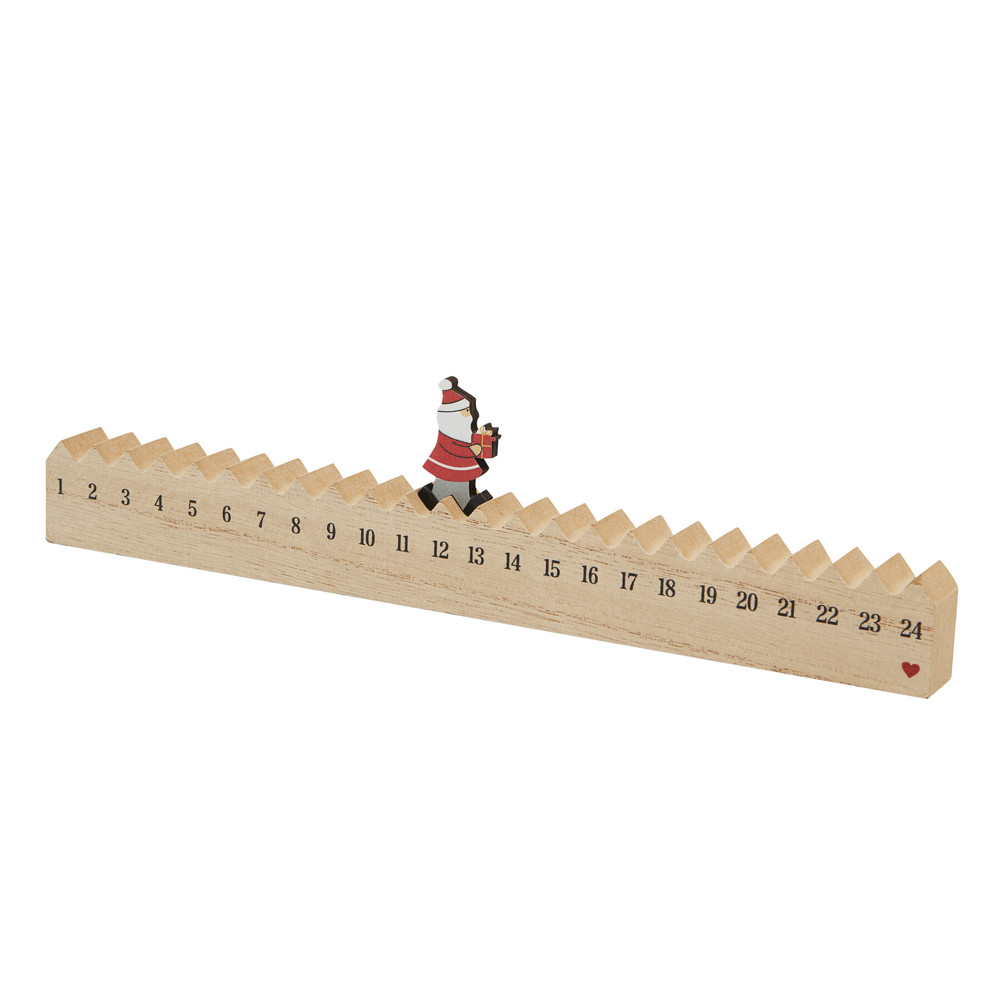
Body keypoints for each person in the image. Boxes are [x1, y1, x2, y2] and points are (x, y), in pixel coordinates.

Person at [419, 377, 500, 514]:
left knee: (461, 485)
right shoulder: (447, 435)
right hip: (448, 468)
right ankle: (449, 503)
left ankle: (463, 503)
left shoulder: (462, 433)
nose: (471, 416)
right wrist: (471, 451)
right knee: (449, 485)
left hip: (459, 470)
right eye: (467, 411)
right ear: (453, 416)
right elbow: (453, 449)